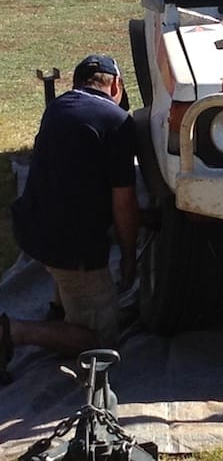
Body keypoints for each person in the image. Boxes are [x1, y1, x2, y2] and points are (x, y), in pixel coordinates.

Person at [0, 54, 139, 384]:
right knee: (101, 345)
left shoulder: (58, 108)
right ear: (116, 84)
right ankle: (12, 331)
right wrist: (130, 256)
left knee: (66, 270)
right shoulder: (117, 122)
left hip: (32, 226)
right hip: (70, 246)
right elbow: (124, 202)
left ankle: (59, 309)